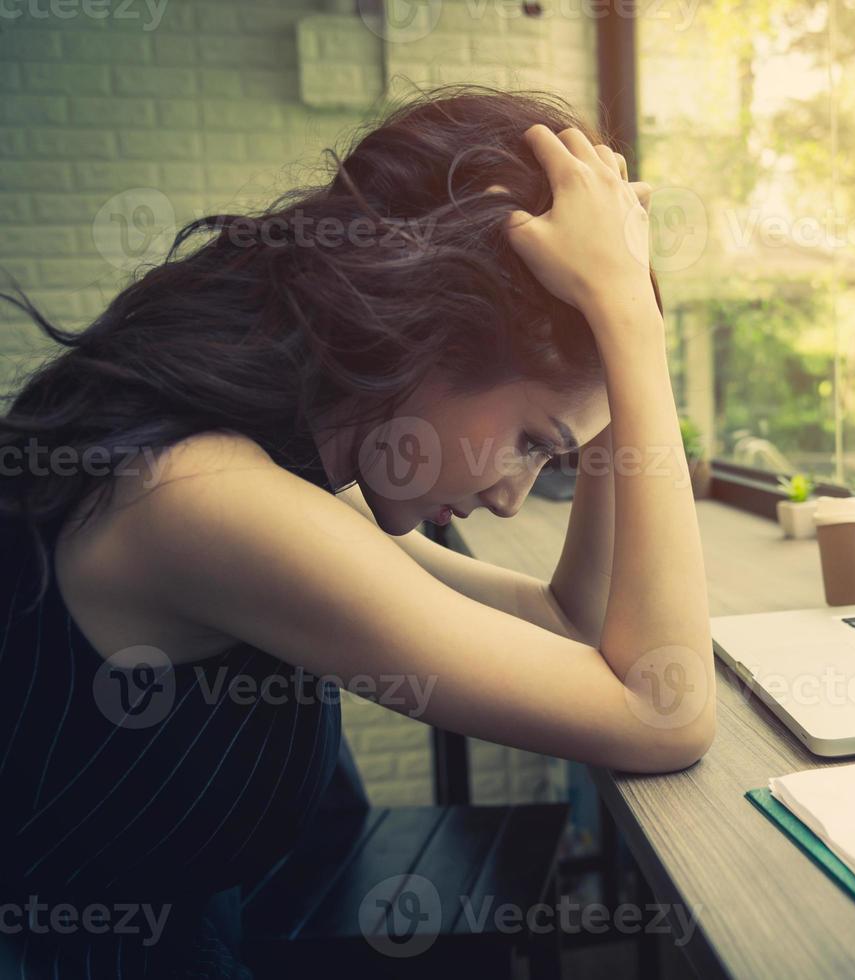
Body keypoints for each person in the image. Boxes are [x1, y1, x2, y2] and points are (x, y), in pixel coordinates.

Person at [0, 85, 714, 978]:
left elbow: (573, 622)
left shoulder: (289, 461)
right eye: (533, 443)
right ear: (434, 332)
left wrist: (624, 328)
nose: (510, 498)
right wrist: (632, 329)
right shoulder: (206, 497)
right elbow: (664, 709)